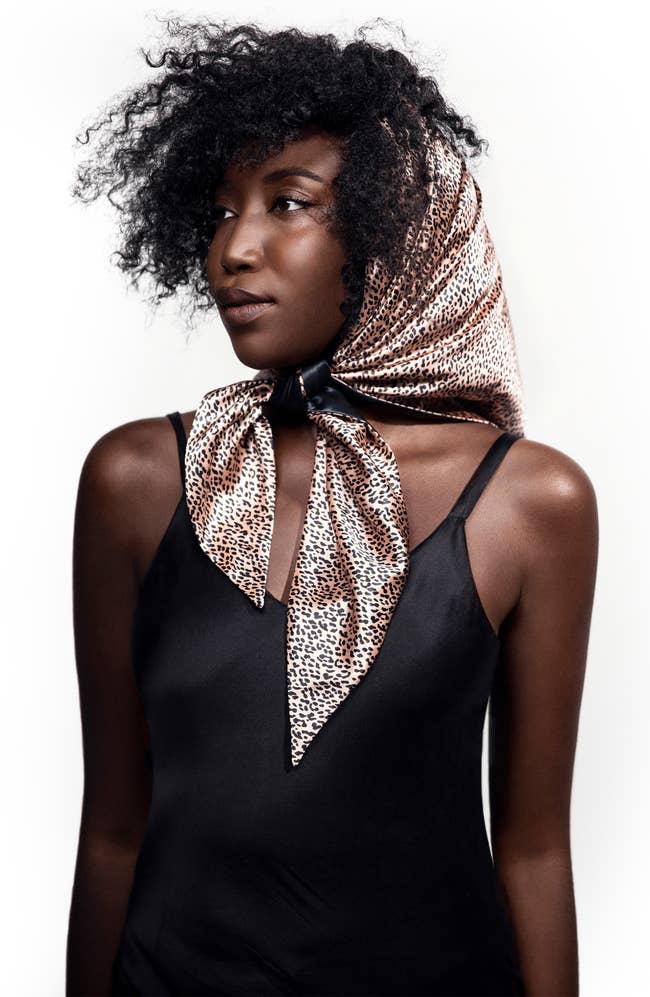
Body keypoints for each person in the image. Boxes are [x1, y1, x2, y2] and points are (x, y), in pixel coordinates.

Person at [66, 17, 598, 997]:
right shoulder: (137, 481)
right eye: (222, 211)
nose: (234, 248)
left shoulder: (529, 503)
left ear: (391, 230)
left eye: (288, 203)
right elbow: (111, 829)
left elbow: (532, 850)